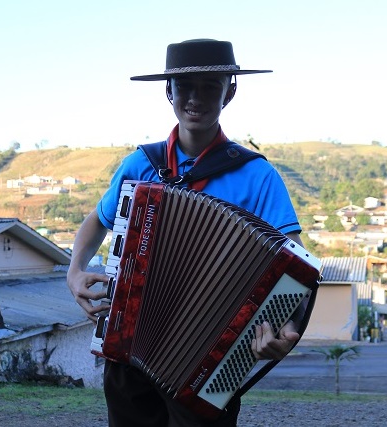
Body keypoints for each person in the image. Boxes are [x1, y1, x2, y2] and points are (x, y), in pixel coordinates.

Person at [67, 38, 306, 427]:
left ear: (229, 91)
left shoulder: (258, 175)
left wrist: (285, 327)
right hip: (130, 350)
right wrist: (74, 270)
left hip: (212, 359)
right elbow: (97, 221)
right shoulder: (140, 165)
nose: (196, 97)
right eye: (185, 86)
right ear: (169, 91)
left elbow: (295, 266)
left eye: (210, 86)